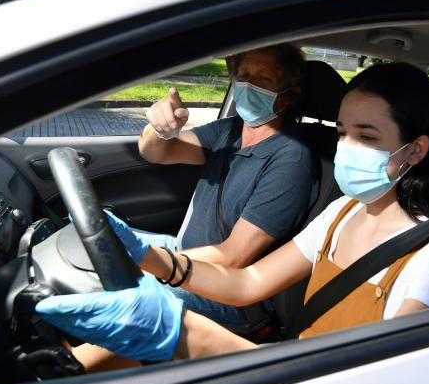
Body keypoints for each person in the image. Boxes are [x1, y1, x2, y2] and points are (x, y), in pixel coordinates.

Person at [39, 63, 429, 363]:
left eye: (366, 137)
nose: (346, 148)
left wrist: (184, 333)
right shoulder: (344, 212)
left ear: (417, 150)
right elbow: (247, 282)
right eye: (343, 132)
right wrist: (153, 260)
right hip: (293, 374)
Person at [123, 44, 317, 327]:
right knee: (100, 235)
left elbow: (233, 256)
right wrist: (159, 130)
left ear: (289, 94)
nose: (248, 85)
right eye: (244, 75)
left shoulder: (291, 159)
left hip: (226, 293)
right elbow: (156, 153)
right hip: (183, 254)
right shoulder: (229, 130)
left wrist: (150, 263)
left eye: (264, 79)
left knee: (121, 293)